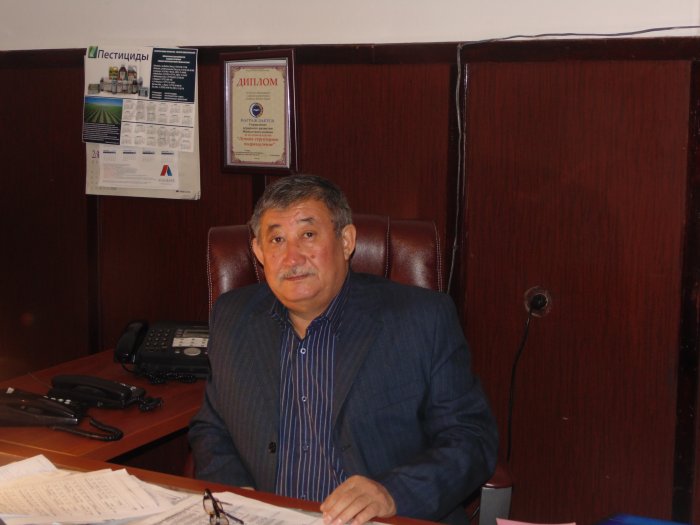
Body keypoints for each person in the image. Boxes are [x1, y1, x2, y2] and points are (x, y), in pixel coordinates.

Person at [188, 174, 498, 525]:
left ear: (346, 241)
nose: (291, 258)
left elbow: (471, 439)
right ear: (259, 252)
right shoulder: (233, 318)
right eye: (277, 239)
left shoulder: (422, 320)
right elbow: (212, 429)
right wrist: (238, 497)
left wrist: (393, 493)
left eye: (308, 235)